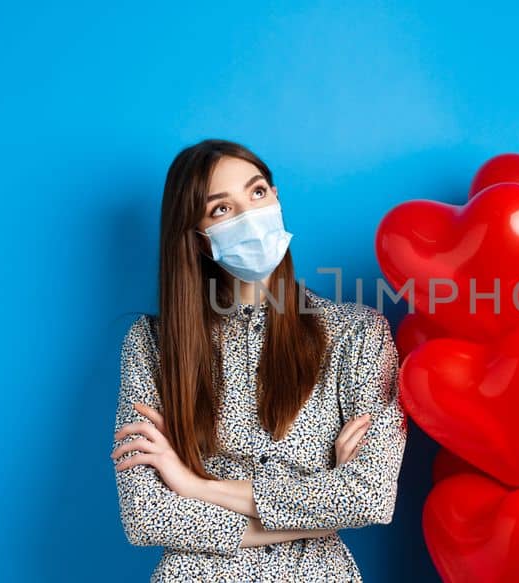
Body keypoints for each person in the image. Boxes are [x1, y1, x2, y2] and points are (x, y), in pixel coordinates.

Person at [109, 139, 407, 582]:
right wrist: (323, 509)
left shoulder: (357, 335)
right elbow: (147, 516)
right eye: (221, 210)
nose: (249, 215)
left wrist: (199, 488)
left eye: (257, 192)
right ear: (199, 240)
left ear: (277, 198)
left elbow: (372, 496)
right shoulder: (153, 345)